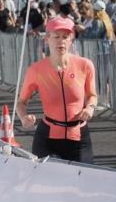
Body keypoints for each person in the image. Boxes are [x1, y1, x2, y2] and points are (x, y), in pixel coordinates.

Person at [18, 16, 97, 163]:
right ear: (47, 39)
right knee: (46, 183)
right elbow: (21, 102)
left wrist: (90, 108)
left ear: (71, 39)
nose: (61, 41)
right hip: (48, 138)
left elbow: (92, 95)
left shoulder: (85, 65)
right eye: (56, 36)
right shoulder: (36, 70)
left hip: (79, 135)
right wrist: (24, 118)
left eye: (65, 37)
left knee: (84, 181)